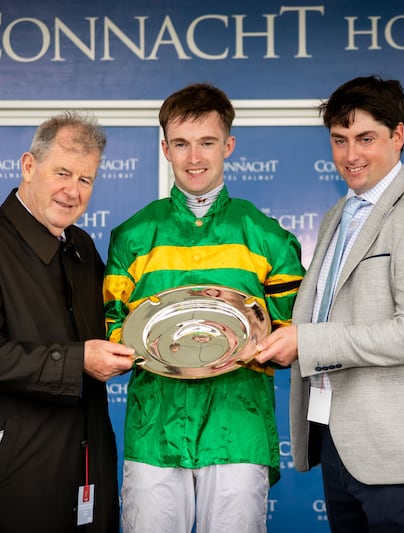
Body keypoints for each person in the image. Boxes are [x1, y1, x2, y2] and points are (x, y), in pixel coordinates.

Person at [254, 75, 404, 532]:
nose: (350, 155)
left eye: (365, 138)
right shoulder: (338, 216)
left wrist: (307, 341)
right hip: (340, 442)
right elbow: (326, 311)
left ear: (398, 136)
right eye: (339, 141)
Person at [102, 82, 306, 533]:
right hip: (155, 430)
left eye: (207, 143)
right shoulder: (132, 236)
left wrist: (272, 346)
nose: (194, 158)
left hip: (238, 427)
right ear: (165, 149)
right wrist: (128, 348)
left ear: (228, 145)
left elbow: (293, 333)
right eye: (181, 144)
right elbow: (113, 327)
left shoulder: (268, 237)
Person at [0, 112, 135, 532]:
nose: (72, 191)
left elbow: (111, 327)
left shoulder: (81, 245)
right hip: (6, 481)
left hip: (83, 469)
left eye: (85, 179)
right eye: (62, 172)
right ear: (28, 166)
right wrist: (79, 361)